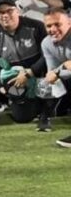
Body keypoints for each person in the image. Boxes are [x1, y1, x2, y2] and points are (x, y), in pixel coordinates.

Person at [0, 0, 49, 127]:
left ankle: (45, 104)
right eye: (0, 13)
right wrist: (0, 86)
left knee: (55, 111)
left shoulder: (36, 27)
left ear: (18, 11)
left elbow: (48, 55)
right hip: (16, 82)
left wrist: (30, 73)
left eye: (9, 11)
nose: (5, 15)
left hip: (41, 75)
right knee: (22, 118)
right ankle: (19, 103)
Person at [40, 9, 71, 147]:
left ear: (69, 23)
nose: (53, 29)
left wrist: (60, 70)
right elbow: (52, 73)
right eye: (49, 26)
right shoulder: (46, 43)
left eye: (58, 24)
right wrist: (54, 75)